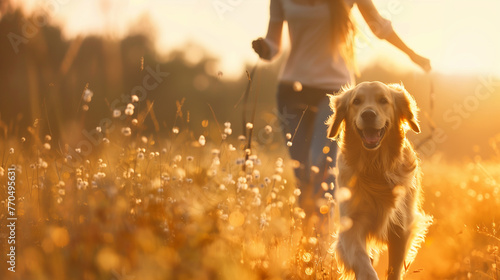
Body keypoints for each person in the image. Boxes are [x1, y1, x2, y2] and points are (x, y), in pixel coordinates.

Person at [252, 0, 431, 213]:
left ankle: (321, 240)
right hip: (291, 91)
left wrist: (412, 54)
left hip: (333, 92)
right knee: (301, 173)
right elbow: (274, 45)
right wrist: (264, 47)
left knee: (322, 166)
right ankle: (307, 234)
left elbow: (380, 27)